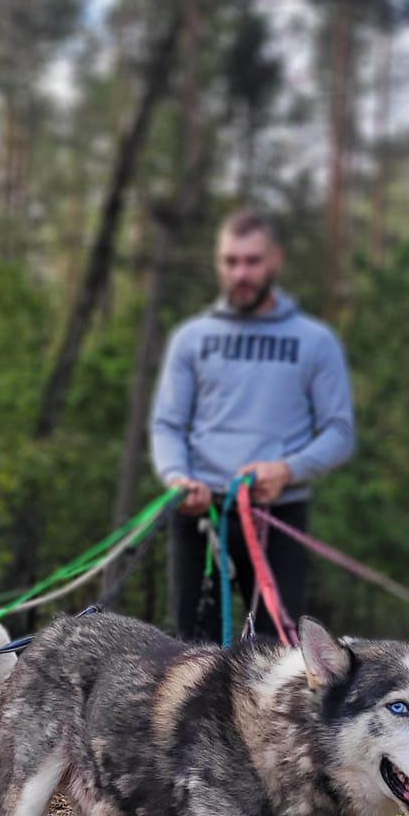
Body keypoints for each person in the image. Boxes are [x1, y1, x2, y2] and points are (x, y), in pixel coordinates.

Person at [149, 208, 356, 642]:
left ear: (276, 259)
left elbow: (340, 432)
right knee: (192, 653)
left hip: (276, 517)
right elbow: (168, 424)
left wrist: (288, 470)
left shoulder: (315, 341)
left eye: (252, 261)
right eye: (230, 261)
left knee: (276, 653)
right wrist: (177, 477)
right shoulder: (191, 338)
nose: (240, 273)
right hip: (201, 514)